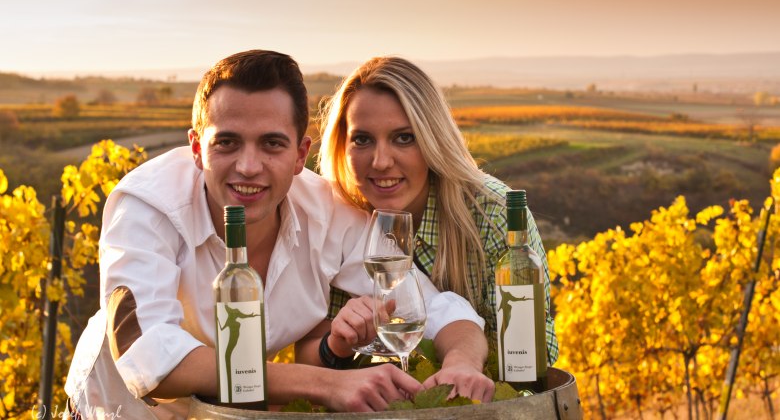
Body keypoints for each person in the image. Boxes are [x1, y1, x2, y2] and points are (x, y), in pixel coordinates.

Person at [64, 50, 493, 420]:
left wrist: (462, 362)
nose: (248, 167)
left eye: (271, 144)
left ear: (300, 154)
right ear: (196, 148)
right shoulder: (147, 206)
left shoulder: (326, 213)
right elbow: (148, 355)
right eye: (227, 143)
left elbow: (434, 307)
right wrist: (323, 384)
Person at [317, 56, 559, 367]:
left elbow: (537, 355)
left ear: (434, 139)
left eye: (404, 138)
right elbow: (320, 359)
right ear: (341, 145)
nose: (380, 161)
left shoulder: (493, 214)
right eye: (362, 139)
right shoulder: (341, 217)